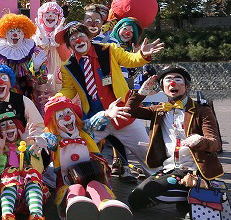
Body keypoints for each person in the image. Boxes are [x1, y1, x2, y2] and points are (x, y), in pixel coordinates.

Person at [57, 21, 164, 180]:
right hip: (95, 119)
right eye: (73, 38)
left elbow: (130, 59)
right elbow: (69, 89)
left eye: (81, 36)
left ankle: (162, 186)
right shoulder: (68, 66)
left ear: (88, 36)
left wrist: (142, 55)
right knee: (79, 150)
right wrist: (57, 99)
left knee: (147, 153)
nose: (78, 40)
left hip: (123, 115)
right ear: (69, 45)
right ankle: (78, 183)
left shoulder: (109, 49)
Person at [34, 95, 132, 220]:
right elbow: (49, 139)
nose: (66, 118)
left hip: (93, 175)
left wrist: (107, 114)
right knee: (75, 189)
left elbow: (93, 122)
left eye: (69, 113)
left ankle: (108, 208)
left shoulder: (85, 130)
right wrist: (42, 140)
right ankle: (77, 210)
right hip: (68, 180)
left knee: (96, 186)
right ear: (54, 122)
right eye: (60, 116)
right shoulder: (55, 138)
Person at [126, 67, 223, 214]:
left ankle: (197, 189)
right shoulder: (159, 110)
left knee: (153, 190)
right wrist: (141, 93)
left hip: (192, 168)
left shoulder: (201, 110)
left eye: (178, 79)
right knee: (135, 199)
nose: (172, 83)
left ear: (187, 86)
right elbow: (129, 111)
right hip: (169, 168)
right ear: (162, 87)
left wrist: (200, 140)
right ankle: (189, 195)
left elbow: (215, 143)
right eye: (168, 80)